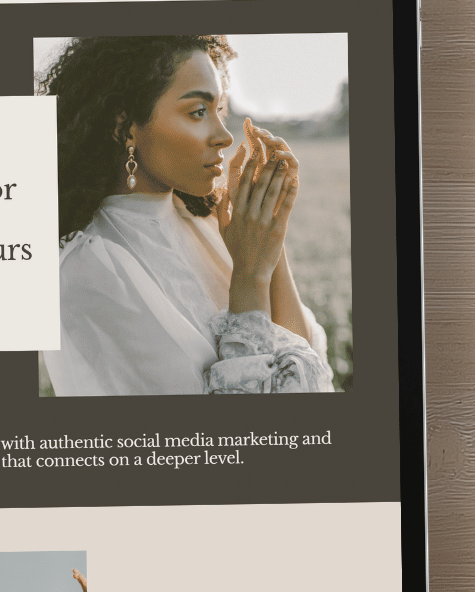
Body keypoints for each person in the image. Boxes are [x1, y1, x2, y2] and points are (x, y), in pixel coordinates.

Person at [39, 35, 335, 395]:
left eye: (219, 111)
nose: (225, 137)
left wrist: (270, 239)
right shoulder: (88, 271)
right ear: (125, 128)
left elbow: (310, 372)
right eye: (198, 112)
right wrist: (249, 277)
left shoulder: (211, 223)